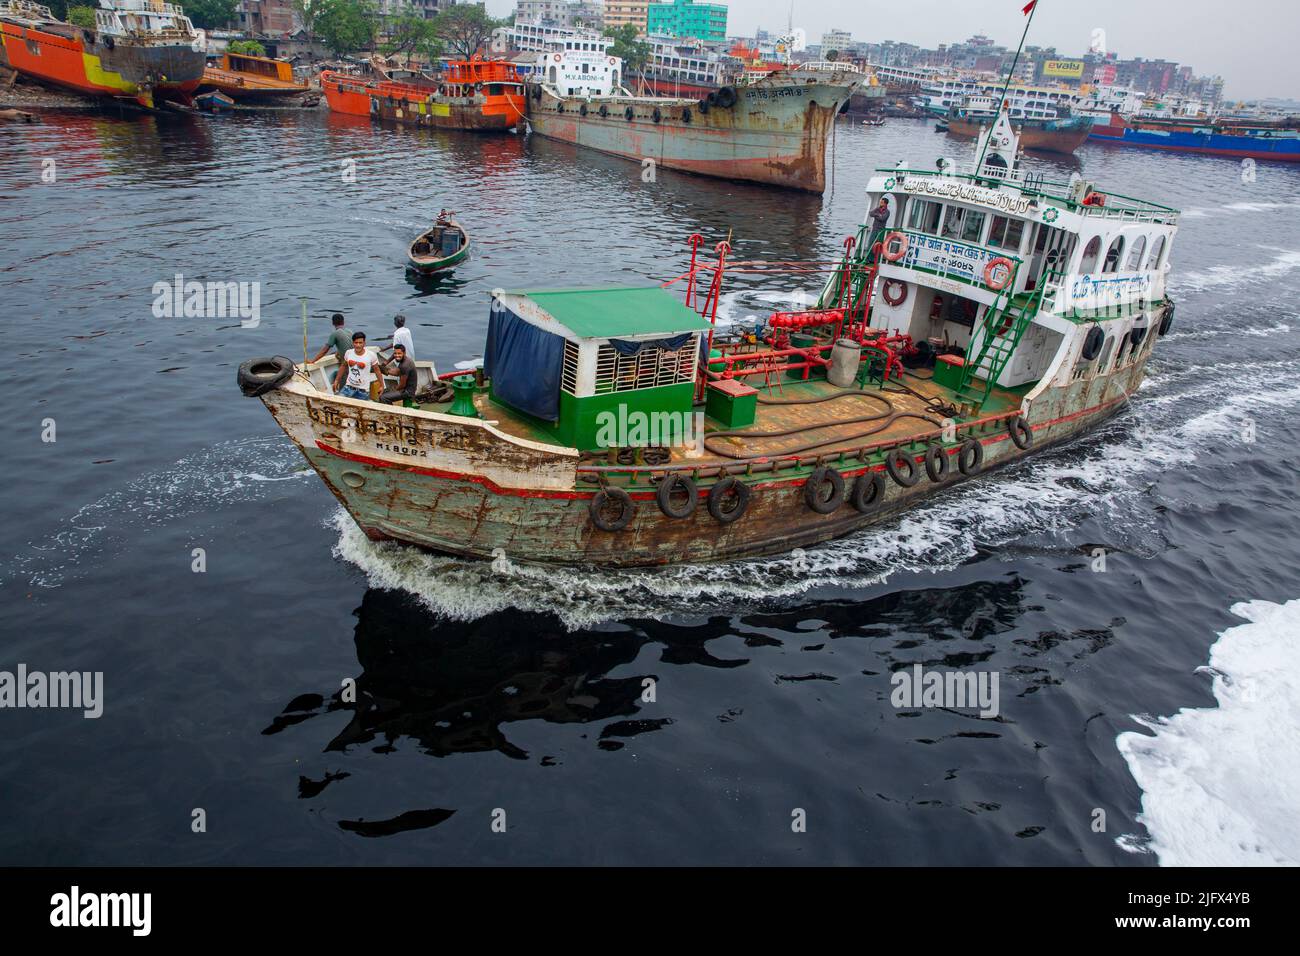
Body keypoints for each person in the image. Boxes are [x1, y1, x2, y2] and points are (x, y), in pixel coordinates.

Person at [333, 332, 379, 400]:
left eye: (360, 343)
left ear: (364, 343)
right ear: (353, 343)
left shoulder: (371, 355)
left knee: (361, 409)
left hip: (363, 391)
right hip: (348, 388)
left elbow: (377, 370)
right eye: (356, 342)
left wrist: (382, 385)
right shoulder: (348, 353)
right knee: (339, 402)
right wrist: (336, 380)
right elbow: (343, 366)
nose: (358, 345)